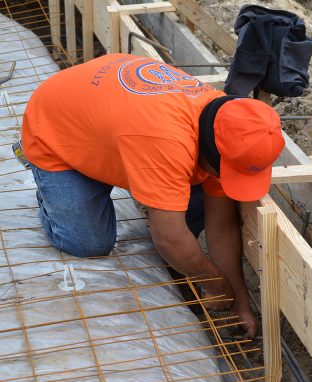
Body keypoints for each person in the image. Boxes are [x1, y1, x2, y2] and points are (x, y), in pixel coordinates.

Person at [21, 53, 285, 338]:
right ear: (213, 151)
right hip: (56, 126)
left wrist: (239, 301)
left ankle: (104, 158)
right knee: (89, 243)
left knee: (189, 201)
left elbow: (223, 225)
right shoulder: (166, 143)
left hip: (108, 113)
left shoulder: (229, 125)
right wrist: (215, 284)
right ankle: (50, 188)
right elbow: (169, 238)